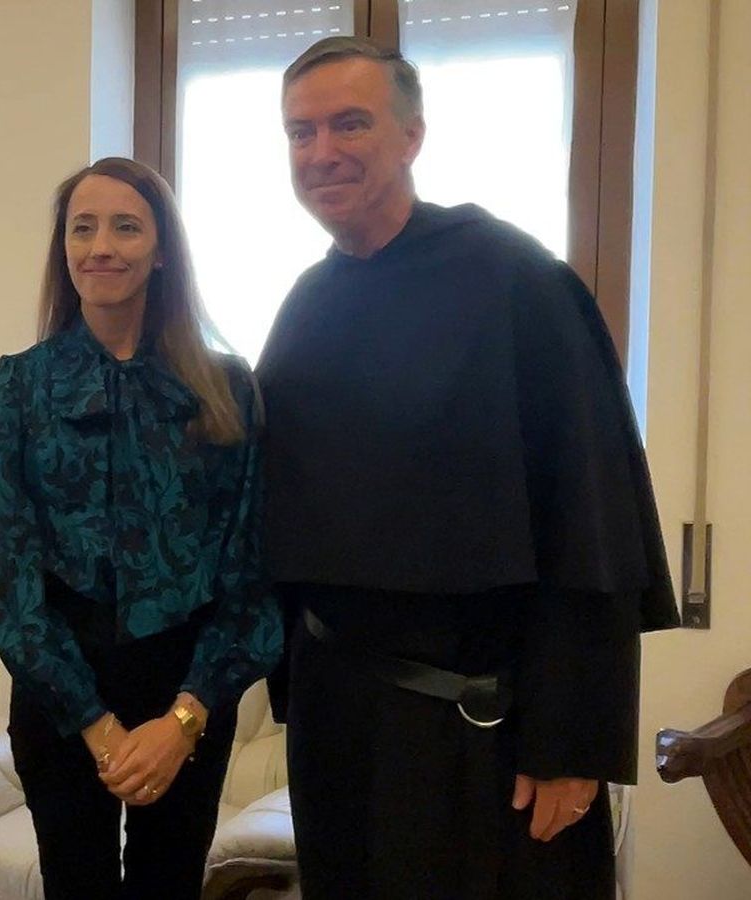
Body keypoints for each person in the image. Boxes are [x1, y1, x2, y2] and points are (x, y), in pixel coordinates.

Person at [259, 36, 679, 899]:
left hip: (483, 728)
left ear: (411, 137)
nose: (322, 152)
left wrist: (573, 742)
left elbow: (589, 513)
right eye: (301, 133)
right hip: (340, 722)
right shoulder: (305, 304)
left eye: (350, 124)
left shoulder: (518, 282)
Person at [0, 156, 282, 900]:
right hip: (59, 691)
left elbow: (250, 571)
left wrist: (183, 718)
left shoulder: (226, 384)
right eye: (83, 228)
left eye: (125, 226)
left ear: (163, 248)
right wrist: (97, 726)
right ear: (64, 249)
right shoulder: (12, 387)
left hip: (188, 690)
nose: (101, 245)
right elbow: (7, 580)